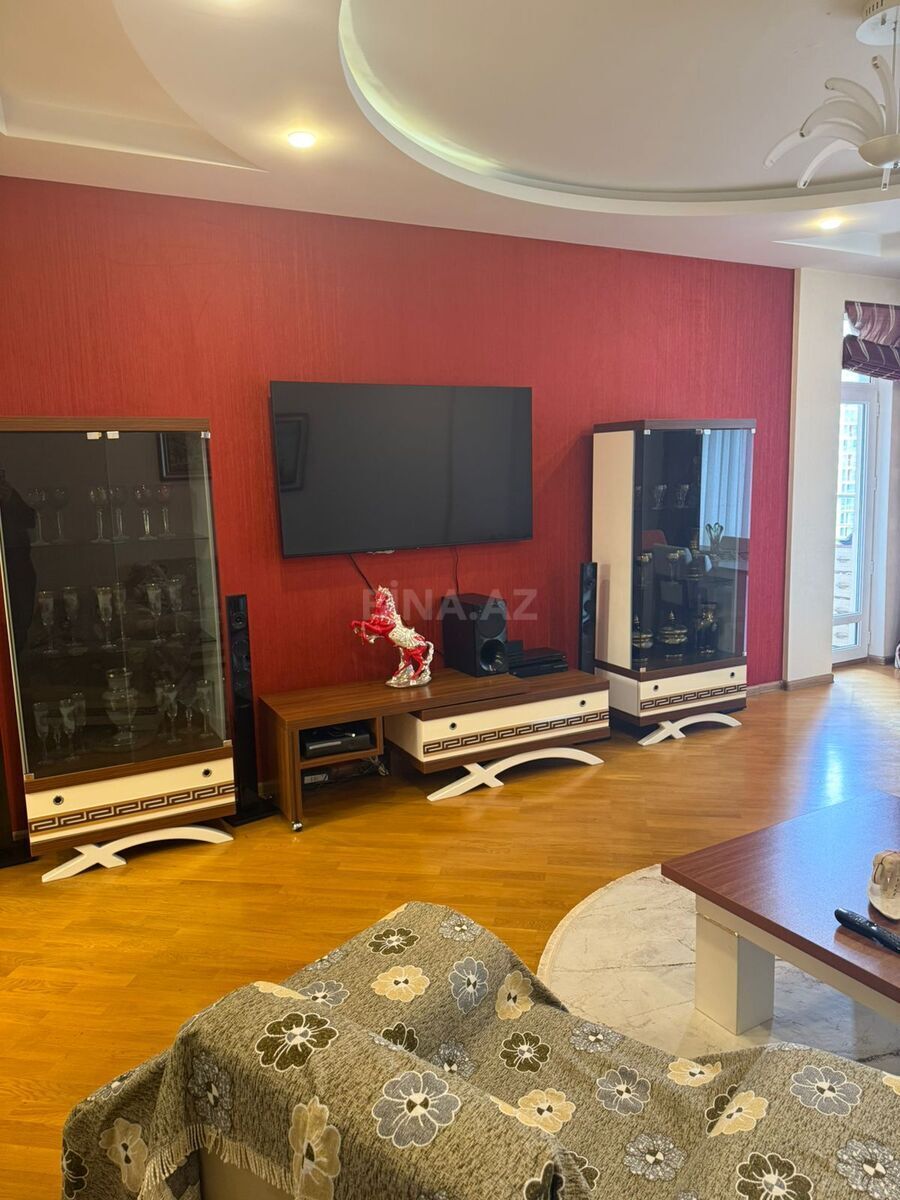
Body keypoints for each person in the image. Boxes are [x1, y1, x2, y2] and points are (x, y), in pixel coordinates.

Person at [0, 469, 37, 655]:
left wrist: (10, 499)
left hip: (17, 571)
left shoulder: (8, 495)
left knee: (18, 633)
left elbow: (30, 519)